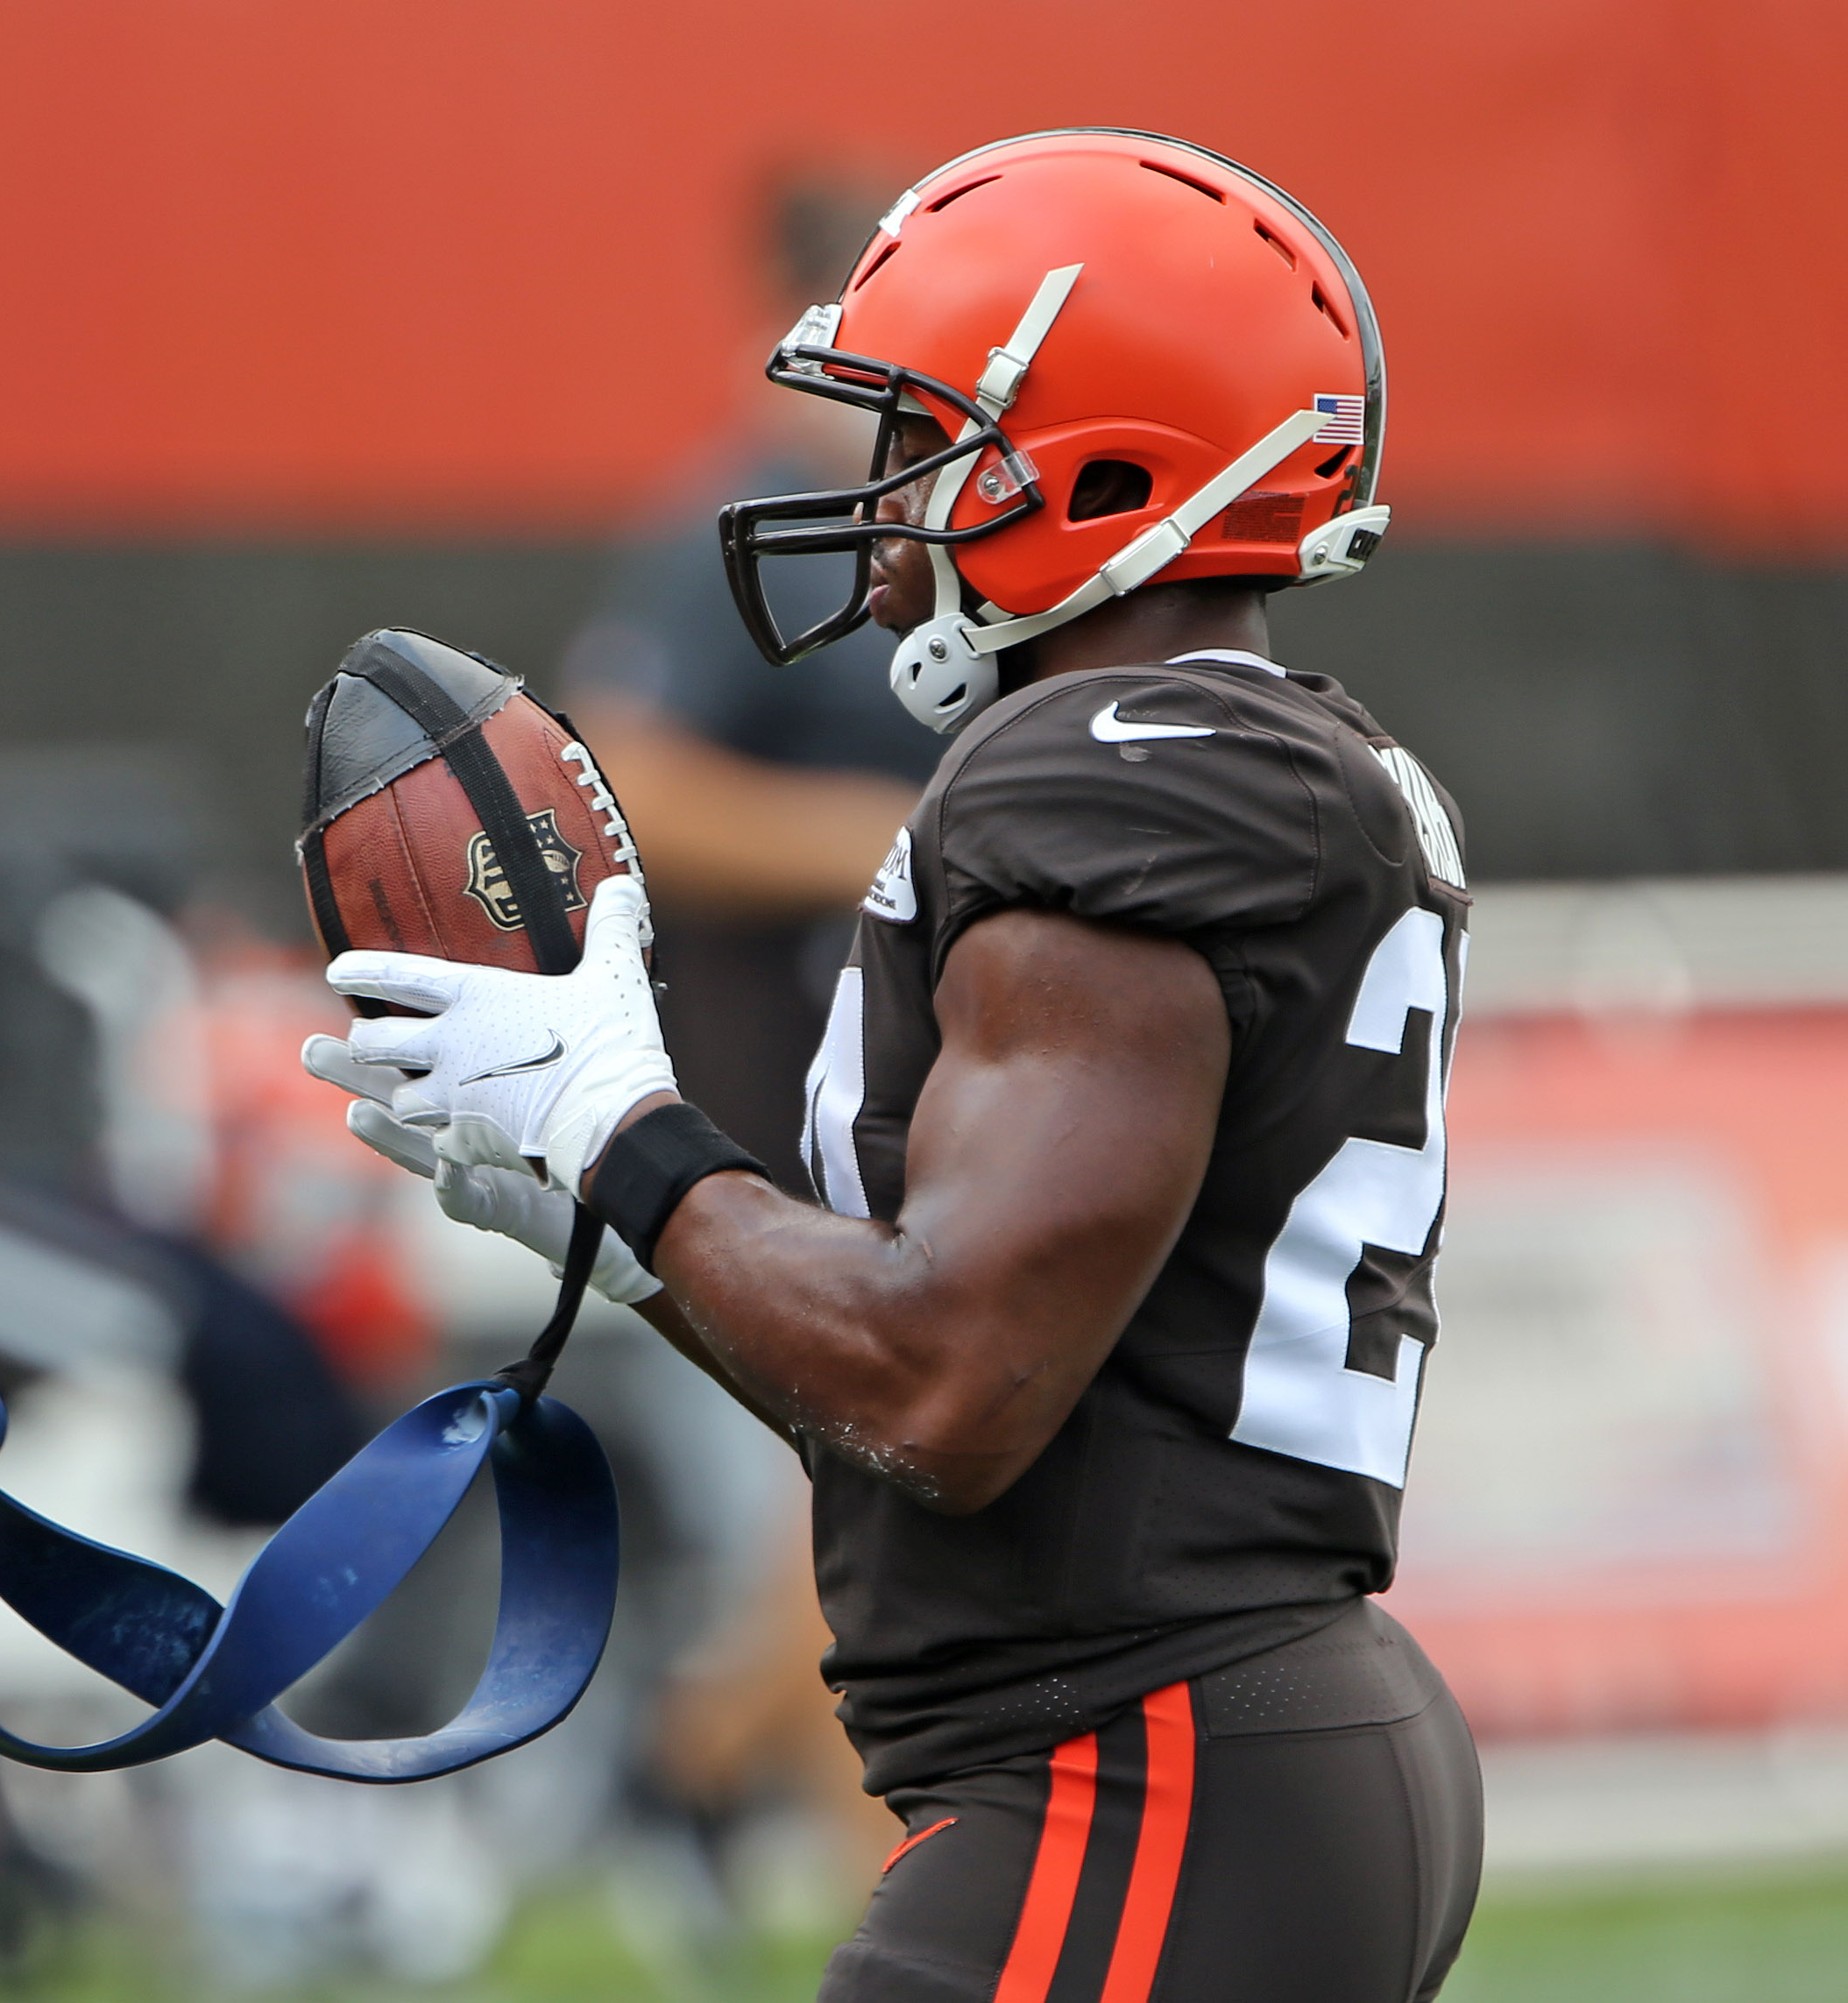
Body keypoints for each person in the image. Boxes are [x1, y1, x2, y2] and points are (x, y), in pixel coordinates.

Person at [309, 131, 1477, 2000]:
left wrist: (621, 1124)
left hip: (1144, 1767)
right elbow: (939, 1390)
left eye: (927, 440)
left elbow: (946, 1391)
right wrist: (623, 1222)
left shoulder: (1101, 769)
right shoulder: (1237, 749)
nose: (886, 503)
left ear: (1099, 459)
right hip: (1195, 1751)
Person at [560, 177, 938, 1185]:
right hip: (791, 1056)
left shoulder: (960, 515)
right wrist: (895, 843)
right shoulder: (745, 523)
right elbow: (620, 786)